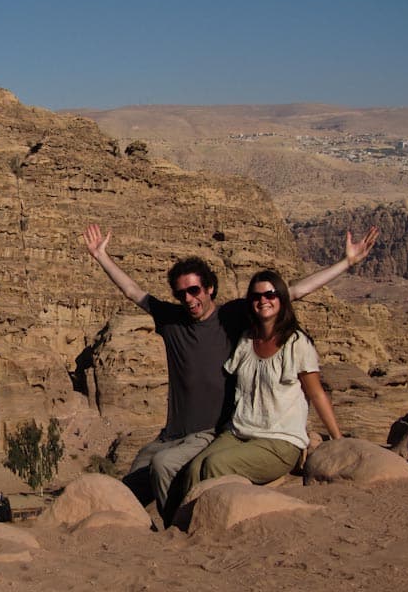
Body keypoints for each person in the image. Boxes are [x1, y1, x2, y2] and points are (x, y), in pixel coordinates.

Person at [83, 224, 378, 525]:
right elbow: (133, 292)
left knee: (163, 467)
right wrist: (101, 256)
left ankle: (178, 528)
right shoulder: (172, 320)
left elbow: (292, 291)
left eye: (195, 290)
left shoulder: (232, 317)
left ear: (210, 288)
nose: (189, 299)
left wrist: (347, 263)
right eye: (181, 293)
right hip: (170, 433)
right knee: (130, 485)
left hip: (209, 431)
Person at [180, 270, 342, 499]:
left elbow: (316, 394)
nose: (263, 300)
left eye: (270, 294)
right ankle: (184, 526)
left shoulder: (297, 343)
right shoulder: (247, 339)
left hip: (279, 441)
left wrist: (338, 440)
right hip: (240, 432)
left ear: (282, 299)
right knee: (195, 468)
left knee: (216, 464)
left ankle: (216, 524)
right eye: (256, 297)